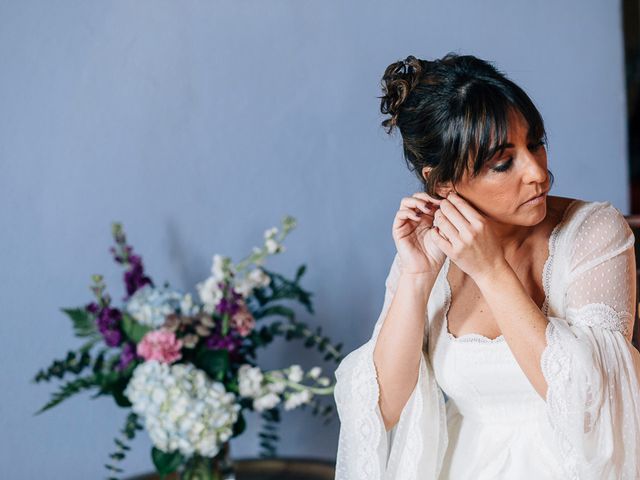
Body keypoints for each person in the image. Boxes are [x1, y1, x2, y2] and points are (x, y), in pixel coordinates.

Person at [332, 53, 640, 479]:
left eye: (536, 143)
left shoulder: (594, 231)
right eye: (502, 163)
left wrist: (492, 270)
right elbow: (379, 409)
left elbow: (595, 403)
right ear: (443, 183)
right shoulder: (431, 253)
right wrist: (417, 277)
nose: (537, 172)